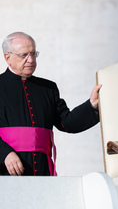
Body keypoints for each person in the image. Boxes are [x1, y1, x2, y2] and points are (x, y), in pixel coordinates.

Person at [0, 32, 102, 176]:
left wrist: (92, 105)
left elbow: (67, 123)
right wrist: (4, 154)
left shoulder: (47, 88)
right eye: (24, 55)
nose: (30, 60)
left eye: (33, 54)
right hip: (6, 170)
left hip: (42, 171)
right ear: (7, 57)